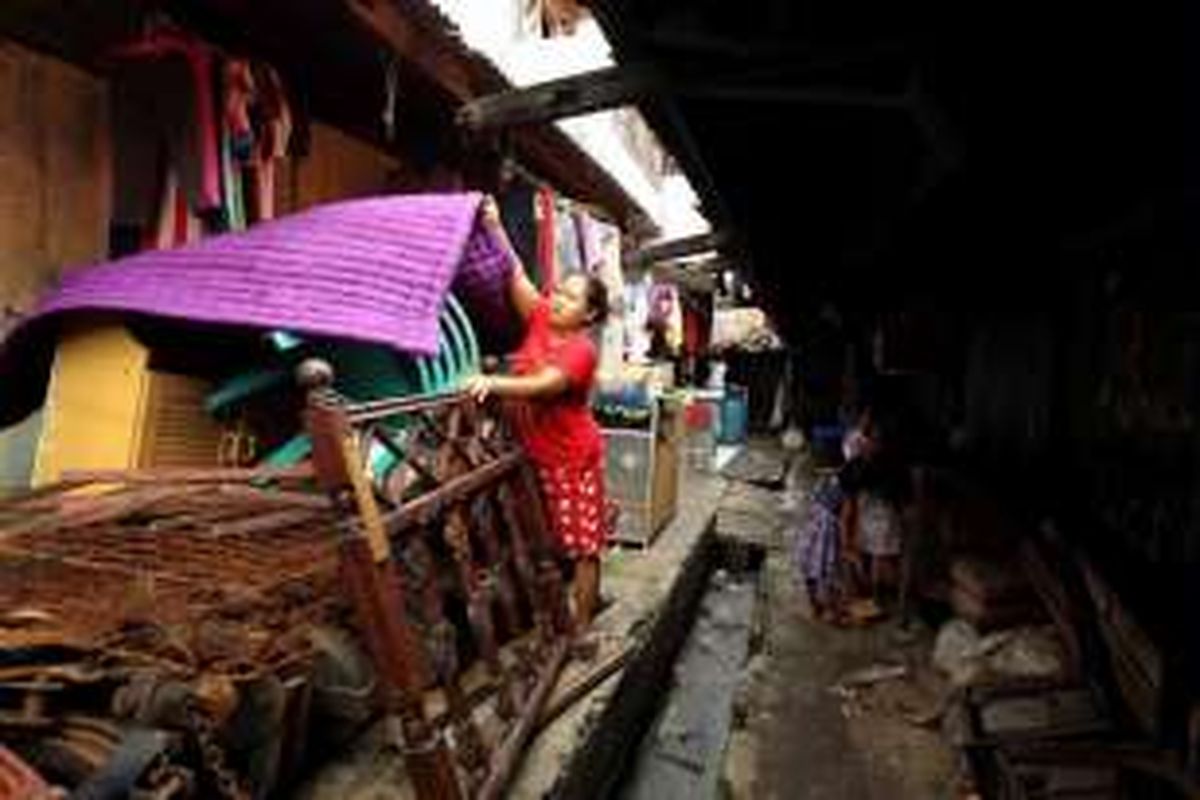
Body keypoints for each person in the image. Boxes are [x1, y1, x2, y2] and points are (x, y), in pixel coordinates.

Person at [465, 198, 612, 628]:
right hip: (534, 453)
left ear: (591, 314)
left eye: (571, 298)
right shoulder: (544, 317)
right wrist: (495, 227)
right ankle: (551, 614)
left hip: (570, 459)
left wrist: (492, 382)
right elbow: (518, 276)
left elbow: (545, 385)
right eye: (560, 292)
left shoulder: (582, 350)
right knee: (544, 537)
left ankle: (581, 626)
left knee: (583, 546)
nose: (559, 300)